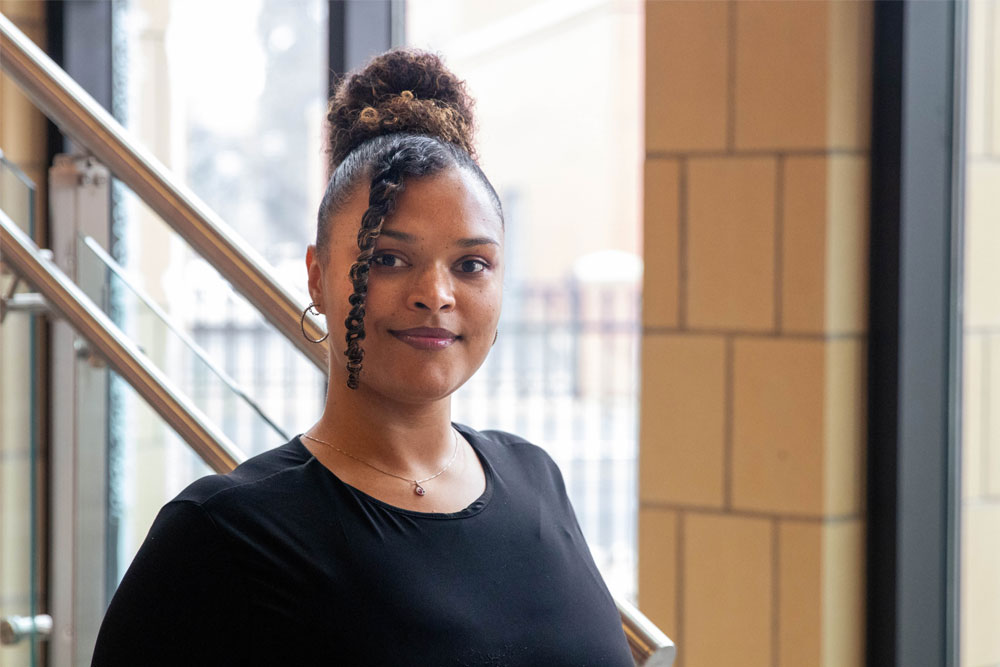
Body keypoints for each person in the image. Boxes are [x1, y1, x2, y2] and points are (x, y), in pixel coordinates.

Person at [92, 48, 634, 666]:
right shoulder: (221, 538)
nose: (436, 294)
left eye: (471, 264)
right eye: (388, 259)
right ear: (318, 276)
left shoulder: (537, 480)